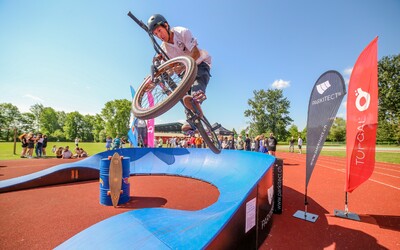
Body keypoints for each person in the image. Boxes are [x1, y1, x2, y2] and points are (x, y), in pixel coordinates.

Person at [147, 14, 212, 132]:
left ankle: (197, 96)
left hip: (199, 64)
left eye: (159, 31)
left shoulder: (182, 32)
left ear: (166, 26)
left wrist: (181, 65)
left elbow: (196, 53)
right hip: (184, 74)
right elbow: (168, 71)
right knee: (184, 95)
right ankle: (191, 121)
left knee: (198, 79)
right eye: (156, 34)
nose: (159, 36)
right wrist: (154, 79)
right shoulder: (164, 49)